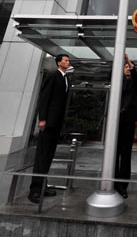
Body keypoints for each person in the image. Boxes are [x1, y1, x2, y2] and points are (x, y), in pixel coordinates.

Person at [28, 54, 70, 204]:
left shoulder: (67, 78)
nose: (67, 62)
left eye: (68, 60)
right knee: (42, 155)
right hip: (48, 122)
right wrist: (42, 118)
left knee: (48, 156)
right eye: (65, 60)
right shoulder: (53, 76)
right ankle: (34, 191)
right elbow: (44, 97)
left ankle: (43, 186)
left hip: (57, 123)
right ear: (58, 63)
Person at [114, 53, 137, 198]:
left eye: (128, 68)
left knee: (125, 154)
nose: (126, 69)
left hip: (128, 121)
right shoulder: (117, 82)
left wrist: (129, 62)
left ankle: (123, 186)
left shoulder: (135, 84)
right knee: (114, 154)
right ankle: (112, 182)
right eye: (124, 67)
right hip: (116, 121)